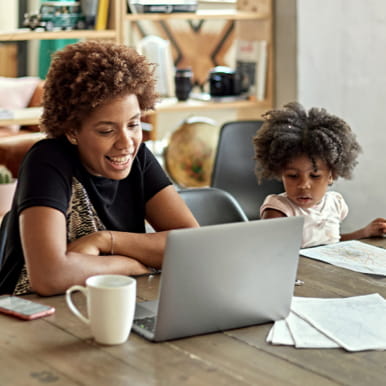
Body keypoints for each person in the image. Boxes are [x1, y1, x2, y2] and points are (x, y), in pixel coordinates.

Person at [0, 41, 199, 296]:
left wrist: (106, 240)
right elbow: (49, 277)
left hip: (109, 302)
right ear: (72, 131)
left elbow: (191, 246)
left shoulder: (138, 158)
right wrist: (130, 266)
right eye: (107, 130)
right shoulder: (47, 161)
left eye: (134, 124)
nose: (126, 143)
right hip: (33, 316)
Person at [253, 102, 386, 248]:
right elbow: (271, 253)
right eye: (292, 175)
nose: (304, 185)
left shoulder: (335, 204)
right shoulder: (278, 211)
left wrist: (364, 232)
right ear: (281, 173)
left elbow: (332, 244)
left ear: (332, 174)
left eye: (315, 176)